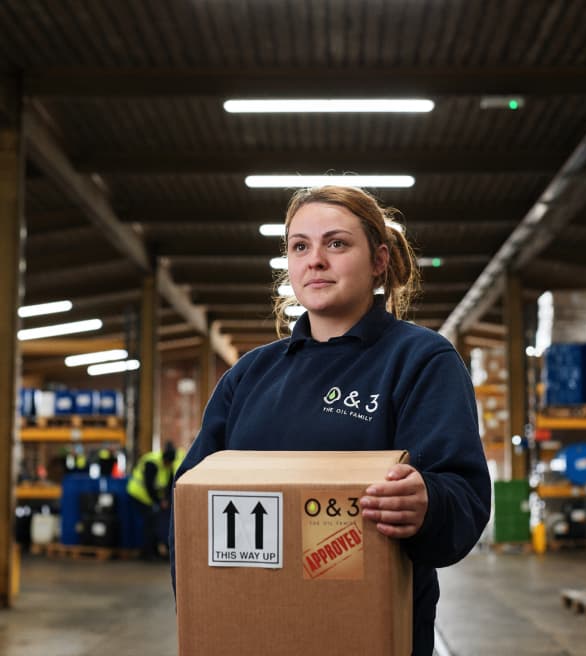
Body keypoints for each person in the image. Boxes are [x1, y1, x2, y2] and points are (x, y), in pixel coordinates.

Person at [170, 185, 491, 655]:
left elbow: (464, 499)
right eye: (300, 246)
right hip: (245, 635)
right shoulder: (250, 375)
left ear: (379, 261)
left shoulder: (420, 360)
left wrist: (428, 503)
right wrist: (202, 616)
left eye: (336, 243)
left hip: (370, 637)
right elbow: (190, 509)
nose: (314, 260)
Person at [128, 441, 180, 560]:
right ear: (164, 459)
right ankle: (147, 552)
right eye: (167, 463)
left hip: (151, 498)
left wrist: (166, 499)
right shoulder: (152, 463)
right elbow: (149, 486)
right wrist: (158, 502)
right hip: (138, 494)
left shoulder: (169, 465)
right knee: (149, 522)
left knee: (155, 521)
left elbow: (169, 485)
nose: (168, 465)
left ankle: (154, 550)